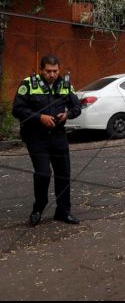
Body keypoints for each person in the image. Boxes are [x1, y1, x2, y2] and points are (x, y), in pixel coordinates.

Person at [12, 55, 81, 226]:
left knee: (63, 175)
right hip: (36, 137)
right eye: (48, 71)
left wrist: (67, 115)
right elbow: (17, 109)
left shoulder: (65, 84)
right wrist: (39, 117)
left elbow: (76, 107)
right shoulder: (28, 84)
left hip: (58, 136)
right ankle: (38, 209)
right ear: (41, 69)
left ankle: (63, 211)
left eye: (55, 71)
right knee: (43, 174)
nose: (52, 74)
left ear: (59, 69)